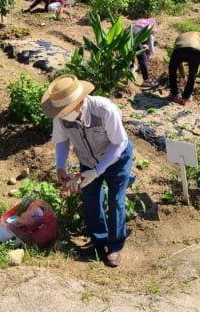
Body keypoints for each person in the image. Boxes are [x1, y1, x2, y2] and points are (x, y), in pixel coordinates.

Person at [41, 74, 133, 267]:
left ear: (81, 102)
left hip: (116, 158)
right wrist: (60, 166)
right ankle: (99, 240)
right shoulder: (60, 117)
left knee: (115, 200)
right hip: (87, 160)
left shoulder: (104, 109)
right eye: (62, 112)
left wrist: (98, 171)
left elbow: (119, 143)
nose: (65, 116)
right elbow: (61, 140)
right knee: (91, 199)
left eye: (68, 110)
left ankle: (114, 247)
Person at [168, 31, 200, 106]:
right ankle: (186, 98)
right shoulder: (199, 34)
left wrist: (183, 75)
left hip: (179, 49)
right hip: (194, 50)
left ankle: (174, 94)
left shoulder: (180, 36)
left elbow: (179, 64)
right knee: (192, 74)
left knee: (172, 70)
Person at [132, 18, 158, 87]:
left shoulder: (137, 26)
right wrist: (148, 56)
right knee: (143, 59)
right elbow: (151, 49)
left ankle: (132, 69)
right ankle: (146, 80)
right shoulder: (149, 29)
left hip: (126, 34)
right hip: (135, 38)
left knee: (130, 53)